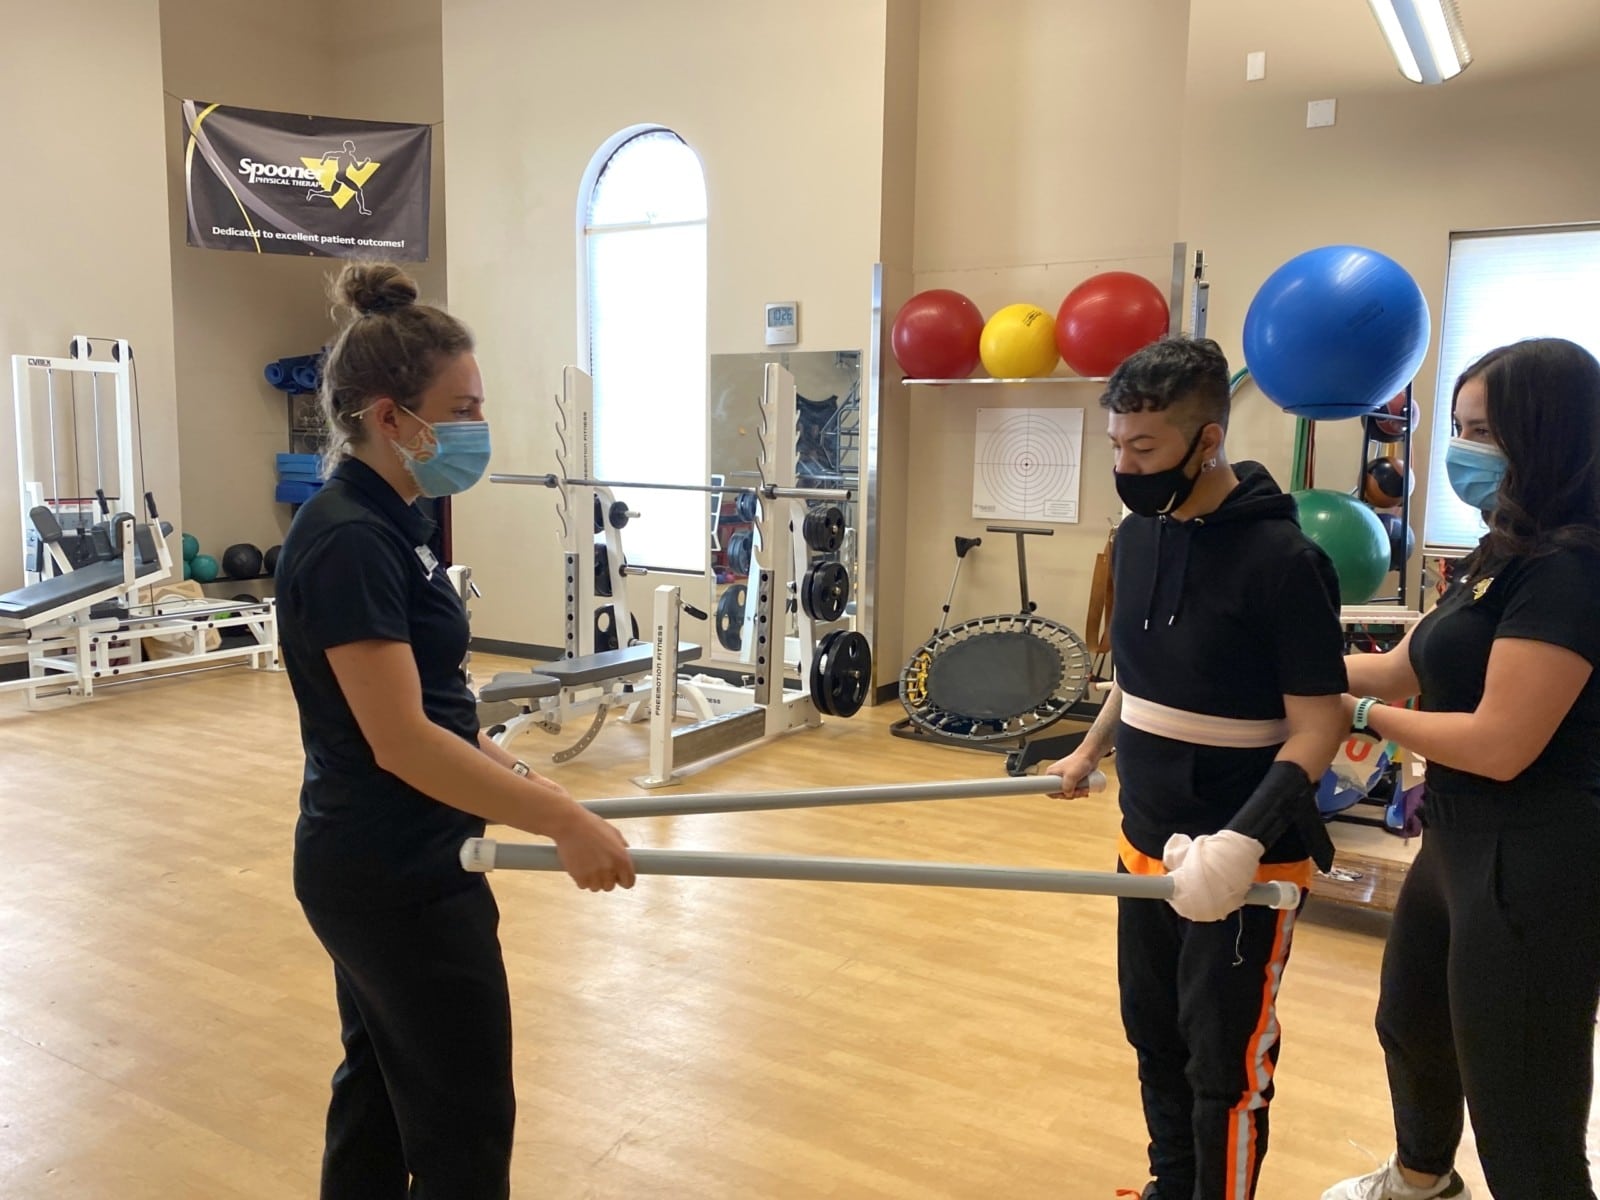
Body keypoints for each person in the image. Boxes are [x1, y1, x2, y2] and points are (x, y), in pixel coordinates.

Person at [274, 261, 636, 1200]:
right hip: (392, 873)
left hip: (398, 852)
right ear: (390, 417)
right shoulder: (350, 536)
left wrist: (506, 767)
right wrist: (557, 823)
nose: (477, 428)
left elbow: (429, 706)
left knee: (384, 1095)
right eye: (462, 407)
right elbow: (396, 742)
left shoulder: (396, 521)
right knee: (463, 1120)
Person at [1047, 335, 1347, 1200]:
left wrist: (1242, 842)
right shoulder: (1137, 537)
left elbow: (1319, 725)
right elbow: (1140, 678)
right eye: (1115, 445)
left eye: (1144, 448)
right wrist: (1089, 747)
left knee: (1225, 1067)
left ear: (1207, 440)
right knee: (1154, 1036)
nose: (1125, 463)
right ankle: (1169, 1188)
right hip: (1144, 839)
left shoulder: (1287, 563)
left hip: (1245, 862)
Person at [1321, 337, 1600, 1200]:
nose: (1462, 450)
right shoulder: (1502, 550)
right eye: (1457, 427)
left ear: (1546, 436)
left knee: (1520, 1104)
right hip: (1460, 837)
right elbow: (1405, 665)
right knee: (1413, 1025)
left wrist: (1356, 718)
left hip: (1537, 856)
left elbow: (1498, 742)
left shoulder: (1571, 570)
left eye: (1483, 430)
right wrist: (1280, 662)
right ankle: (1420, 1182)